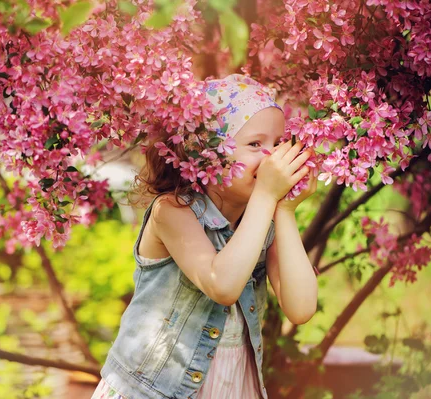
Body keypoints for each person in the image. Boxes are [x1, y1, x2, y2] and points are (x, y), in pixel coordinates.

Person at [91, 74, 319, 399]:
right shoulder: (171, 211)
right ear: (208, 155)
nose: (272, 157)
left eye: (279, 143)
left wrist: (285, 211)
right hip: (154, 391)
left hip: (232, 386)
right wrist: (268, 195)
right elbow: (222, 285)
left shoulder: (265, 221)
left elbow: (301, 309)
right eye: (256, 144)